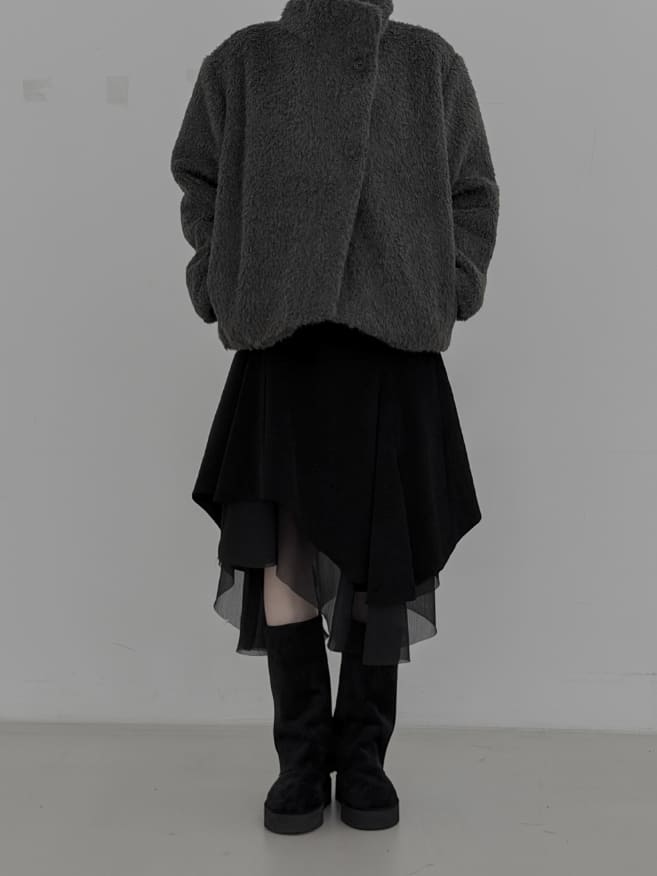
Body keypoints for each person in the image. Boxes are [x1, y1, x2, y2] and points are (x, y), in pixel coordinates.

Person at [170, 0, 499, 835]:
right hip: (281, 341)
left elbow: (472, 190)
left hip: (393, 344)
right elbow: (198, 177)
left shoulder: (427, 62)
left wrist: (451, 282)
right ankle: (299, 758)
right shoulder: (245, 61)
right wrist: (218, 276)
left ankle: (362, 759)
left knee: (379, 552)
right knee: (283, 546)